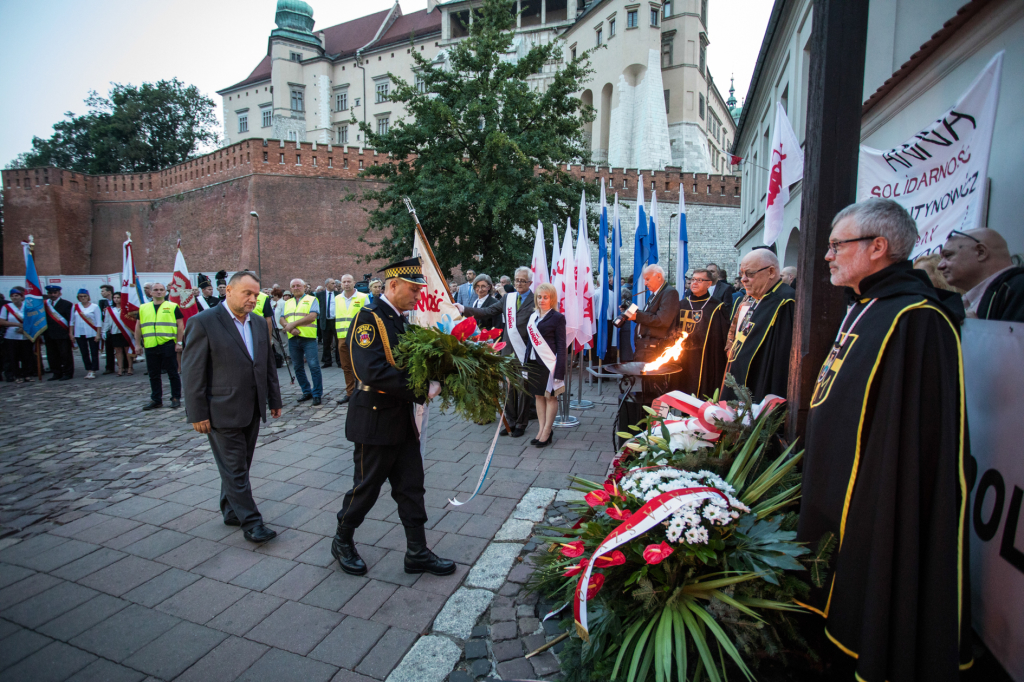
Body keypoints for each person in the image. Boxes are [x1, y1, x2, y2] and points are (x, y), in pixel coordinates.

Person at [796, 198, 971, 681]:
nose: (828, 256)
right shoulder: (866, 306)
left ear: (878, 247)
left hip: (876, 492)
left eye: (837, 245)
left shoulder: (917, 317)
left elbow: (912, 436)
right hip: (836, 481)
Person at [331, 257, 454, 577]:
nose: (418, 295)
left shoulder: (400, 319)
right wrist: (421, 388)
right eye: (413, 289)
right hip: (374, 420)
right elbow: (370, 370)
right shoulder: (370, 318)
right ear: (393, 285)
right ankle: (342, 540)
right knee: (366, 488)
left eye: (419, 290)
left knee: (412, 487)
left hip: (400, 420)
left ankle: (417, 552)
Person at [182, 271, 283, 544]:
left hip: (252, 407)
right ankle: (252, 523)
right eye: (247, 293)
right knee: (236, 468)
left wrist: (274, 399)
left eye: (256, 294)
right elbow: (191, 372)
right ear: (228, 291)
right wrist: (197, 413)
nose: (253, 299)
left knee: (240, 465)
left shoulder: (260, 323)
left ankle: (230, 510)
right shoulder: (203, 322)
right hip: (220, 410)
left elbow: (266, 364)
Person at [457, 266, 536, 437]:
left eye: (523, 281)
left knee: (523, 388)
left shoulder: (536, 299)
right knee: (508, 387)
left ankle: (522, 424)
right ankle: (511, 421)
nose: (520, 283)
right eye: (517, 280)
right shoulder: (508, 298)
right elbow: (487, 311)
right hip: (508, 350)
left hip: (526, 350)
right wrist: (463, 309)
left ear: (530, 282)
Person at [722, 249, 794, 402]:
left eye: (750, 274)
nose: (743, 279)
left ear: (771, 272)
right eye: (742, 273)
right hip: (737, 379)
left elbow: (780, 359)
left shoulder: (785, 302)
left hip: (758, 387)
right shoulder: (754, 298)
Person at [938, 227, 1024, 321]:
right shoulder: (1008, 291)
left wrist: (976, 329)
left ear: (981, 252)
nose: (940, 266)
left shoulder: (1017, 288)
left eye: (948, 255)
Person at [624, 264, 680, 399]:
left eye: (648, 279)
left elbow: (663, 320)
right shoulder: (654, 295)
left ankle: (658, 416)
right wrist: (635, 313)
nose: (645, 283)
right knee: (647, 386)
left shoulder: (670, 293)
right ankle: (647, 414)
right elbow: (651, 315)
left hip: (657, 348)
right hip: (647, 347)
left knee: (657, 387)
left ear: (659, 276)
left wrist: (638, 316)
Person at [674, 269, 728, 399]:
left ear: (709, 284)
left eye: (699, 280)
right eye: (693, 279)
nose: (694, 283)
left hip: (705, 357)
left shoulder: (717, 307)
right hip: (683, 356)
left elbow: (720, 337)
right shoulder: (682, 304)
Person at [525, 283, 566, 448]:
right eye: (539, 297)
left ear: (552, 299)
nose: (542, 300)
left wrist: (559, 373)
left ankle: (548, 430)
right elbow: (529, 343)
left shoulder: (557, 318)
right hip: (534, 362)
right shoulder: (533, 317)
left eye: (545, 297)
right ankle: (541, 429)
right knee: (538, 396)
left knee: (550, 397)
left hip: (549, 364)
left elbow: (562, 346)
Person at [134, 282, 184, 410]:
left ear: (165, 292)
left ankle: (175, 397)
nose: (159, 292)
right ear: (150, 292)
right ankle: (156, 399)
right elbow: (138, 327)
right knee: (153, 374)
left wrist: (179, 342)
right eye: (155, 290)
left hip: (167, 344)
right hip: (150, 345)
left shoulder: (172, 306)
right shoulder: (144, 308)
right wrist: (137, 344)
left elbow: (180, 325)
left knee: (172, 373)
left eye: (161, 290)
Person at [282, 278, 322, 405]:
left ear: (304, 287)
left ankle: (316, 394)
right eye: (293, 286)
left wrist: (292, 325)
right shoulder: (287, 302)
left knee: (314, 366)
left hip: (308, 338)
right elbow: (282, 318)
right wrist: (289, 328)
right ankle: (306, 391)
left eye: (298, 285)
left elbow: (312, 316)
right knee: (298, 367)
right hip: (293, 338)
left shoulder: (312, 299)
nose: (296, 287)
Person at [333, 274, 369, 405]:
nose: (346, 284)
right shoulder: (337, 299)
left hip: (358, 337)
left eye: (349, 281)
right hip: (342, 337)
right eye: (344, 282)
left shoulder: (363, 297)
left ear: (354, 283)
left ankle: (363, 391)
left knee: (360, 365)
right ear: (341, 284)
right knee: (346, 366)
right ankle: (350, 392)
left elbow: (368, 317)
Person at [0, 288, 34, 383]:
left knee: (26, 356)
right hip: (11, 336)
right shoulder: (6, 307)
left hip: (25, 334)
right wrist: (17, 324)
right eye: (12, 296)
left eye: (17, 295)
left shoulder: (27, 307)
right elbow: (2, 321)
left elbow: (32, 320)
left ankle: (27, 374)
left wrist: (24, 328)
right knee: (13, 356)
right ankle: (17, 375)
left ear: (21, 297)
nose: (14, 298)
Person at [70, 289, 102, 380]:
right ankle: (88, 369)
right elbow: (71, 321)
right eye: (81, 296)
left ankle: (93, 370)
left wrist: (98, 334)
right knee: (84, 352)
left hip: (92, 332)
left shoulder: (94, 307)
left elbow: (98, 321)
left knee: (94, 352)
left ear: (88, 297)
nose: (83, 298)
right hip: (79, 333)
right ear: (78, 297)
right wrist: (71, 334)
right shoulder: (75, 307)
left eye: (85, 296)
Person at [43, 285, 74, 381]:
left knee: (65, 355)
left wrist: (70, 333)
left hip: (62, 334)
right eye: (50, 293)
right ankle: (56, 373)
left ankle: (68, 373)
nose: (52, 295)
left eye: (54, 293)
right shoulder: (44, 305)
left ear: (59, 293)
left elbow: (70, 320)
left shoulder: (66, 304)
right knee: (52, 355)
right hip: (49, 334)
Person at [103, 292, 133, 375]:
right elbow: (107, 321)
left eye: (118, 297)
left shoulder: (126, 308)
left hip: (126, 332)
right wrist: (104, 331)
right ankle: (120, 368)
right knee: (118, 350)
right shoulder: (110, 310)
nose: (116, 299)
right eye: (114, 297)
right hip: (115, 332)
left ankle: (130, 367)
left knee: (127, 350)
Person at [316, 279, 339, 367]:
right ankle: (327, 361)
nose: (335, 285)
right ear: (327, 284)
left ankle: (339, 361)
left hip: (335, 321)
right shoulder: (319, 295)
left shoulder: (338, 295)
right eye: (332, 283)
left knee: (338, 342)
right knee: (326, 343)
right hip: (325, 321)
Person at [97, 284, 117, 374]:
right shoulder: (102, 302)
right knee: (108, 349)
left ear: (109, 292)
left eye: (103, 291)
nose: (101, 293)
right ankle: (109, 367)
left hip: (117, 327)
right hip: (107, 327)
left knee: (120, 348)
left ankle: (124, 366)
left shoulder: (116, 300)